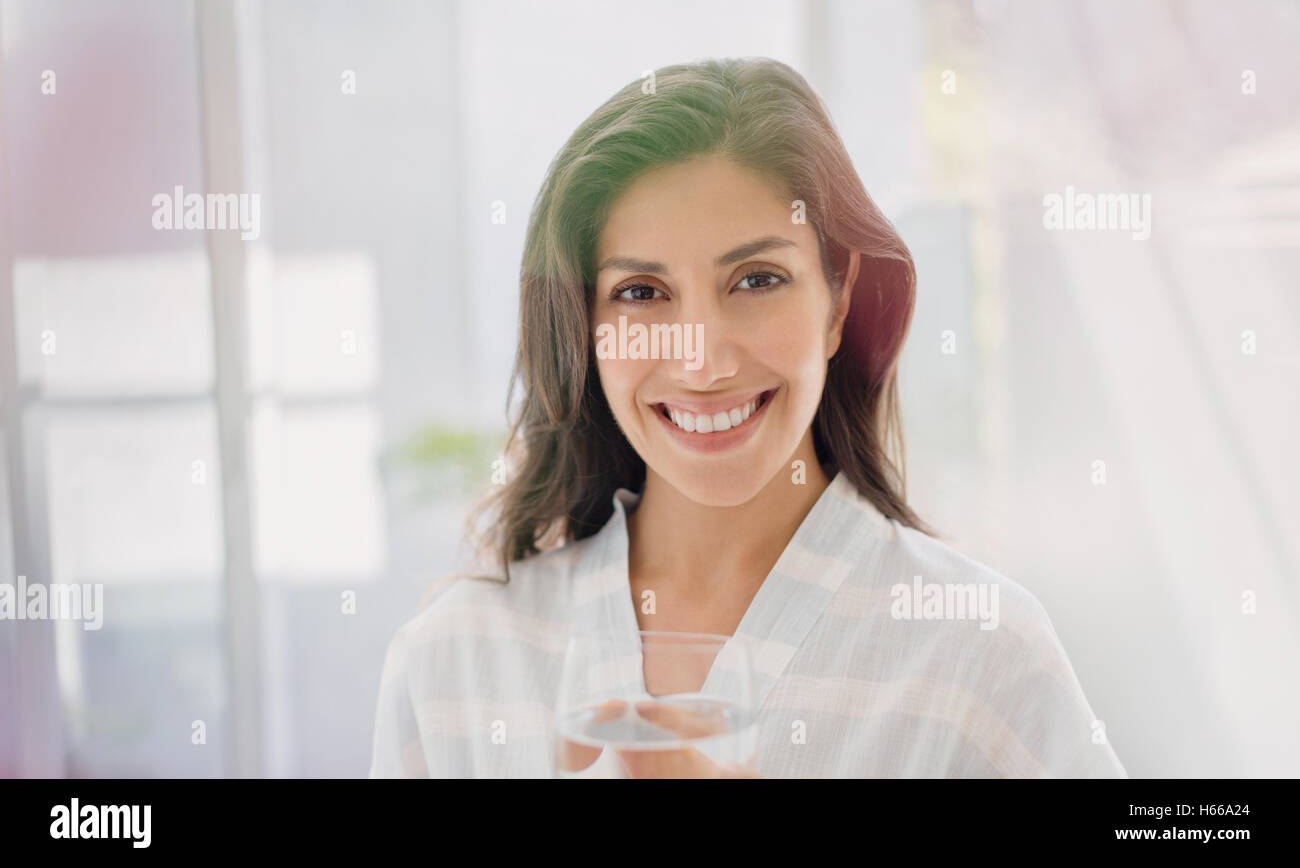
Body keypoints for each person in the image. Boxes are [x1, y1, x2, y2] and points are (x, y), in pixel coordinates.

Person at [370, 57, 1127, 778]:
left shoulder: (979, 649)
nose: (702, 362)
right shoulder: (456, 662)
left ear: (838, 302)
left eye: (757, 279)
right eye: (641, 293)